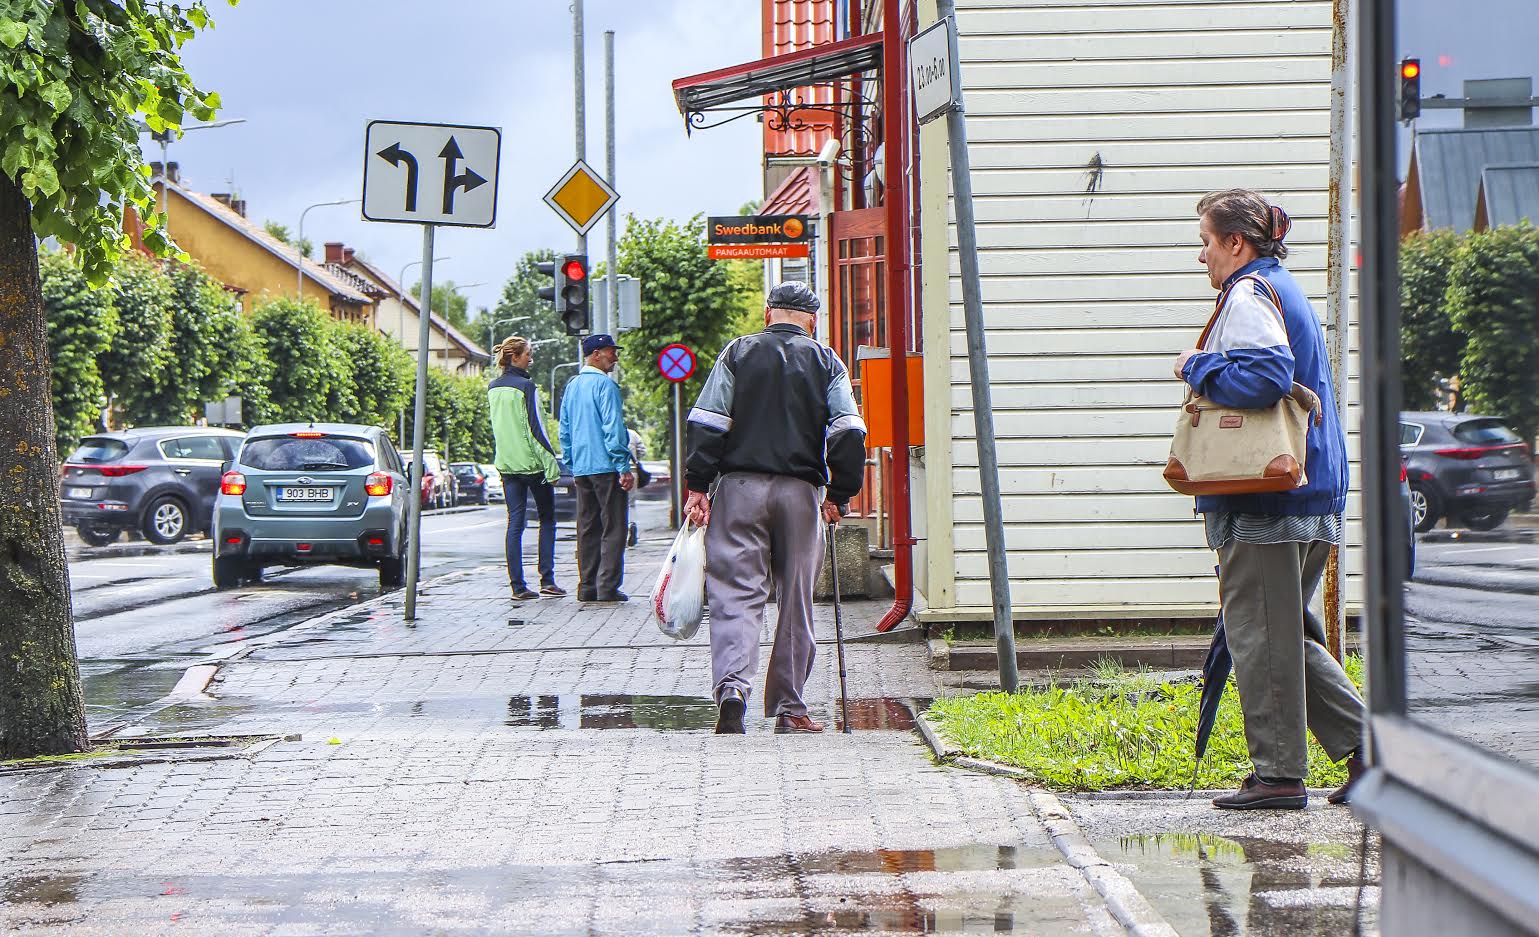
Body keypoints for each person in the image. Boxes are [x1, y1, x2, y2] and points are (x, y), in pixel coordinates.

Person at [1177, 189, 1365, 809]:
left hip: (1268, 496)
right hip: (1311, 486)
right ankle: (1372, 752)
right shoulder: (1282, 285)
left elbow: (1265, 377)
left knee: (1258, 633)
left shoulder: (1248, 292)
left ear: (1236, 243)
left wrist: (1197, 367)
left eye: (1206, 241)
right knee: (1287, 630)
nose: (1202, 255)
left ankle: (1279, 775)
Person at [684, 281, 867, 735]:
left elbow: (707, 420)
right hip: (800, 493)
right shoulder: (827, 361)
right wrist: (840, 494)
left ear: (768, 314)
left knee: (735, 594)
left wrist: (697, 486)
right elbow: (848, 430)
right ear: (813, 320)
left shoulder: (737, 353)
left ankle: (732, 690)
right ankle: (790, 707)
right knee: (796, 600)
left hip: (739, 488)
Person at [558, 333, 634, 603]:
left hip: (581, 468)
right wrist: (623, 465)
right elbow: (612, 429)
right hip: (606, 466)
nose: (615, 356)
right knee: (613, 527)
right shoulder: (606, 386)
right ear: (597, 353)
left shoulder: (573, 386)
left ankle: (586, 585)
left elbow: (564, 428)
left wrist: (571, 460)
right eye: (611, 351)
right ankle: (607, 587)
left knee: (587, 526)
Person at [488, 336, 565, 601]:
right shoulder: (526, 387)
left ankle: (518, 587)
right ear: (515, 357)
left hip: (507, 465)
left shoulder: (493, 387)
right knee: (547, 519)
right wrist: (551, 466)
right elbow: (537, 430)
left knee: (515, 524)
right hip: (533, 466)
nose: (530, 358)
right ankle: (547, 579)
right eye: (527, 354)